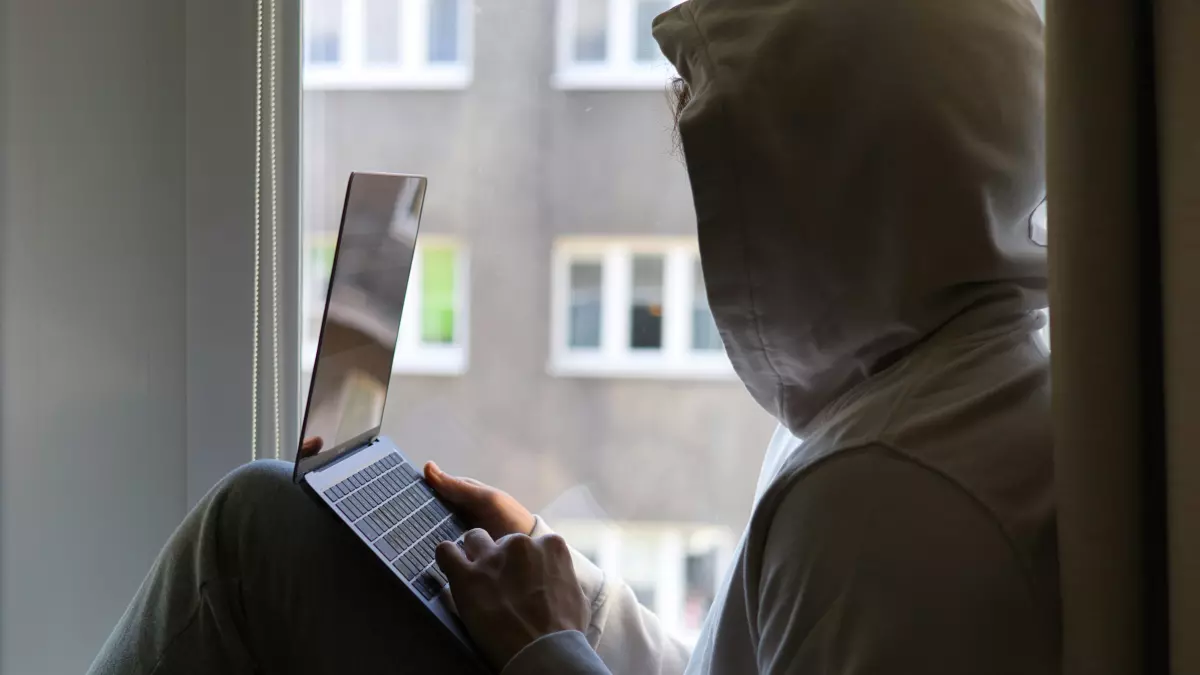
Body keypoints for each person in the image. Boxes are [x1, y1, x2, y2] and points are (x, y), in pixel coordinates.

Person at [88, 0, 1056, 673]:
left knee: (253, 535)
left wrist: (543, 648)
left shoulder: (892, 500)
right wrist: (567, 592)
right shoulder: (917, 390)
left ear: (830, 173)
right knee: (275, 523)